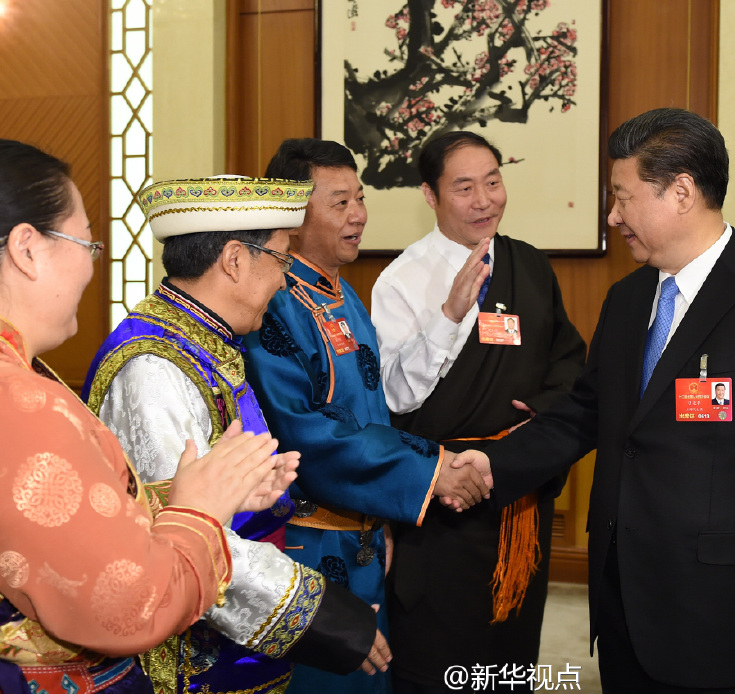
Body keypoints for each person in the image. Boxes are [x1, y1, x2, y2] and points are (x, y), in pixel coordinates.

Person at [452, 108, 735, 693]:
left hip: (724, 613)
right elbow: (586, 412)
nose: (613, 216)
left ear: (681, 192)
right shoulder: (627, 299)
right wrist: (494, 463)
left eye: (623, 197)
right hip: (622, 602)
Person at [0, 141, 297, 693]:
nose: (91, 265)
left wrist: (206, 494)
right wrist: (198, 511)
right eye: (87, 243)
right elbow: (131, 604)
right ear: (27, 248)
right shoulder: (28, 400)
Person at [81, 176, 389, 694]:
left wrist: (247, 491)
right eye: (282, 259)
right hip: (188, 655)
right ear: (234, 260)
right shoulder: (153, 367)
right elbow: (187, 535)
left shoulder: (204, 340)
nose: (285, 281)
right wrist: (329, 618)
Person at [242, 138, 492, 694]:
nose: (358, 215)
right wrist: (429, 470)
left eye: (360, 198)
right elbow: (307, 435)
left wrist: (381, 520)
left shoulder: (343, 294)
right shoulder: (273, 304)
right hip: (307, 549)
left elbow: (376, 411)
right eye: (340, 203)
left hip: (363, 540)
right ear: (292, 215)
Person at [370, 131, 586, 693]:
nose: (484, 200)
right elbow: (392, 398)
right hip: (444, 497)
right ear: (430, 195)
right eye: (464, 188)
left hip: (516, 490)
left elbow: (569, 364)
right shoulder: (402, 279)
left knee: (510, 656)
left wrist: (538, 416)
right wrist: (448, 314)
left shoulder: (528, 265)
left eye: (493, 182)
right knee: (439, 659)